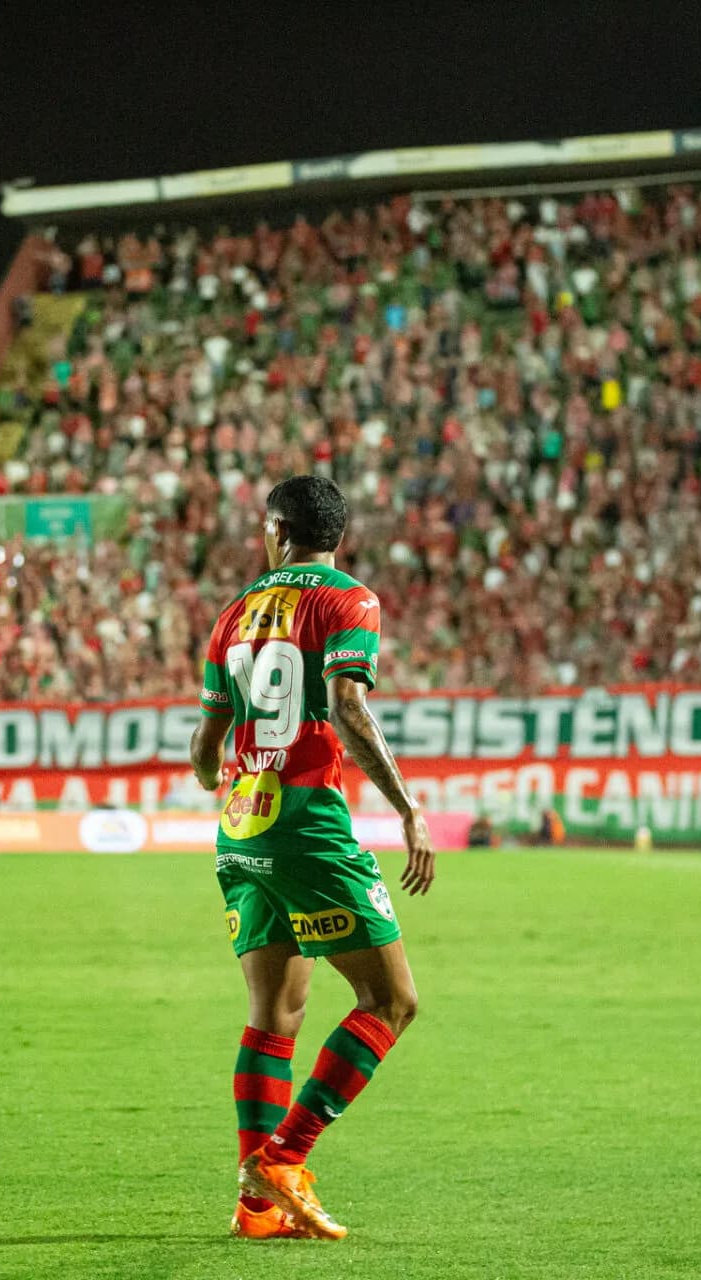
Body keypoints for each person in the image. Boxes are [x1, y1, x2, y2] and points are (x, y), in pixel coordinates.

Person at [187, 475, 435, 1242]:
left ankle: (256, 1209)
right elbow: (348, 705)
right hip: (306, 824)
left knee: (274, 1015)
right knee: (391, 1002)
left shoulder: (234, 613)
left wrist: (227, 771)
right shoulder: (348, 600)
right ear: (336, 536)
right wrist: (406, 807)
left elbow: (204, 752)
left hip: (242, 827)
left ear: (276, 531)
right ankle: (283, 1159)